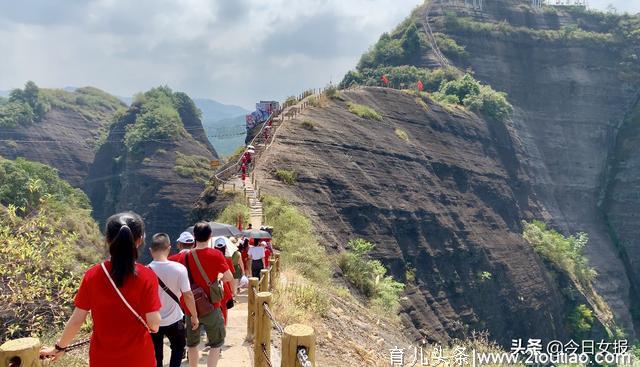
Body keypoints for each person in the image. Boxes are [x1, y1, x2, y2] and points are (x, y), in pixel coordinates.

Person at [40, 212, 162, 367]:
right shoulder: (147, 276)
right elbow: (154, 324)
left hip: (103, 358)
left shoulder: (92, 275)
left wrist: (59, 347)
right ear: (139, 240)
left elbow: (77, 320)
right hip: (139, 358)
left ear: (108, 239)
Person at [171, 222, 234, 367]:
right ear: (210, 236)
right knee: (216, 343)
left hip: (190, 308)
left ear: (194, 237)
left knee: (192, 344)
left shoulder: (184, 257)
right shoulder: (216, 254)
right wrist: (217, 280)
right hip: (211, 306)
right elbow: (229, 277)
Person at [148, 233, 199, 367]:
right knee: (177, 349)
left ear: (150, 250)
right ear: (169, 248)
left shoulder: (145, 271)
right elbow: (188, 295)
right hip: (175, 319)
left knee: (155, 355)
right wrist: (194, 316)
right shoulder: (179, 269)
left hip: (153, 322)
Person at [212, 238, 236, 325]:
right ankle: (223, 328)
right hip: (224, 288)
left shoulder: (211, 259)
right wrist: (233, 292)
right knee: (224, 309)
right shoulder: (228, 260)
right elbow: (231, 278)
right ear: (225, 248)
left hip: (212, 287)